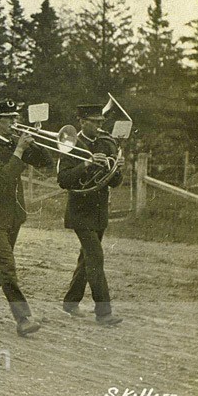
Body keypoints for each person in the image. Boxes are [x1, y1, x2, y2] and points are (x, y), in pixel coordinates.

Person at [0, 100, 52, 336]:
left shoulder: (15, 145)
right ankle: (23, 318)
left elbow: (46, 163)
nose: (15, 123)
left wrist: (34, 142)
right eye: (10, 119)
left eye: (16, 118)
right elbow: (4, 177)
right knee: (6, 266)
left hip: (14, 215)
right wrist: (19, 150)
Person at [58, 104, 124, 326]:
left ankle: (70, 302)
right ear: (82, 122)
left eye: (100, 122)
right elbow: (63, 180)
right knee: (95, 257)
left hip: (99, 211)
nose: (99, 126)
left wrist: (117, 168)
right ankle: (103, 313)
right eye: (95, 122)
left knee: (87, 258)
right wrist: (86, 163)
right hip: (80, 211)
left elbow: (114, 182)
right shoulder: (69, 144)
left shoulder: (107, 144)